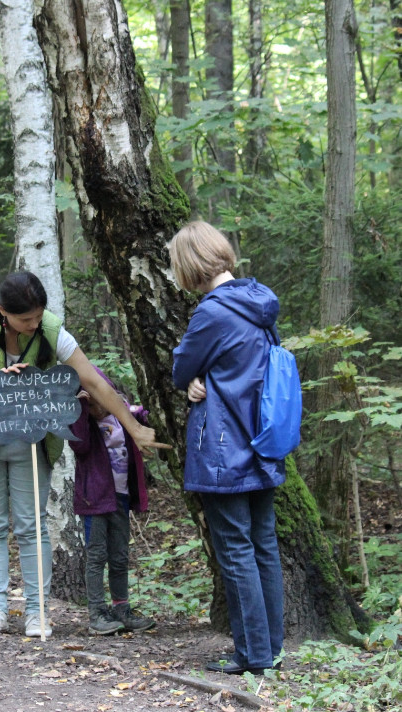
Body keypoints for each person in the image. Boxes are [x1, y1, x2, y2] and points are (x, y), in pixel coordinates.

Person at [0, 271, 168, 638]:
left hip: (32, 443)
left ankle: (37, 613)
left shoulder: (51, 329)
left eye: (38, 316)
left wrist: (133, 427)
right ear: (3, 312)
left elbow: (94, 381)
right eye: (25, 320)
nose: (34, 325)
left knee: (32, 526)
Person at [168, 221, 284, 675]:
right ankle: (270, 648)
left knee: (236, 548)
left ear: (190, 264)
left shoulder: (212, 312)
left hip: (223, 447)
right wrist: (207, 377)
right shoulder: (260, 301)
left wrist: (196, 379)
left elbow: (181, 369)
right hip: (262, 441)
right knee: (263, 544)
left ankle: (253, 654)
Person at [69, 367, 156, 636]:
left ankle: (121, 608)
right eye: (89, 400)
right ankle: (96, 612)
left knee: (119, 555)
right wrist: (81, 407)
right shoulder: (86, 426)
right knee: (96, 557)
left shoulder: (122, 419)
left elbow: (142, 416)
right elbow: (79, 445)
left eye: (99, 398)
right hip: (94, 499)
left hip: (120, 498)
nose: (97, 405)